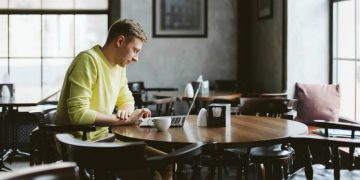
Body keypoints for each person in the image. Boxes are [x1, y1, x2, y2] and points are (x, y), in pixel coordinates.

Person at [56, 19, 171, 180]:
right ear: (120, 41)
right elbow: (78, 115)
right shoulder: (88, 60)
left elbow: (127, 98)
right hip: (80, 145)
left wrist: (126, 110)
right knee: (157, 171)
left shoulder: (119, 67)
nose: (136, 58)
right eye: (135, 50)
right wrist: (123, 120)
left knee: (166, 162)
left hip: (105, 139)